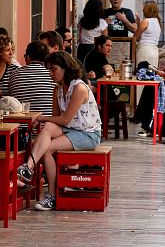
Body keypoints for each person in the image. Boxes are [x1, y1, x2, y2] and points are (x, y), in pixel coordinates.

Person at [16, 51, 101, 211]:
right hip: (69, 130)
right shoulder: (58, 89)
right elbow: (55, 118)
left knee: (47, 148)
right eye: (48, 69)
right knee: (48, 130)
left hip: (87, 134)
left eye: (53, 69)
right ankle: (29, 170)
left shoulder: (79, 88)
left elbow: (64, 119)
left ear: (66, 68)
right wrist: (44, 120)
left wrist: (40, 118)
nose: (50, 73)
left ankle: (50, 194)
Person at [8, 40, 57, 115]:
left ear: (28, 57)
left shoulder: (14, 74)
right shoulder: (54, 75)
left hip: (21, 124)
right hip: (48, 123)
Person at [133, 0, 162, 73]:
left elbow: (135, 37)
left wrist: (138, 24)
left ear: (148, 10)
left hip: (145, 50)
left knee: (142, 74)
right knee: (151, 75)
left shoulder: (146, 21)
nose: (143, 10)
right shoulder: (157, 21)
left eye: (144, 8)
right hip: (154, 51)